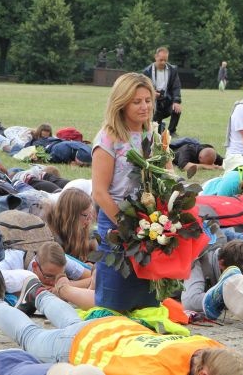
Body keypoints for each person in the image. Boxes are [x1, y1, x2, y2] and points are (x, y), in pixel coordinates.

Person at [0, 275, 243, 375]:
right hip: (79, 348)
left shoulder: (207, 347)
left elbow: (236, 364)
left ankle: (39, 293)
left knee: (70, 319)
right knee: (29, 335)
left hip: (112, 327)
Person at [91, 72, 160, 311]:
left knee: (147, 304)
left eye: (148, 100)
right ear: (121, 103)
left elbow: (167, 178)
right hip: (116, 225)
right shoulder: (108, 138)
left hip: (150, 226)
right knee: (114, 302)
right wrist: (127, 227)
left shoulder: (153, 135)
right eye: (137, 101)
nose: (144, 107)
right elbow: (99, 192)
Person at [45, 188, 95, 262]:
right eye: (85, 215)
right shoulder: (53, 239)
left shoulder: (80, 229)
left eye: (91, 213)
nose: (90, 218)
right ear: (70, 216)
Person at [142, 47, 182, 136]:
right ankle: (160, 126)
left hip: (167, 101)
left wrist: (176, 101)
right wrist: (152, 93)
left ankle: (171, 131)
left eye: (165, 60)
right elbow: (143, 88)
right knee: (156, 132)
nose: (163, 62)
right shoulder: (146, 71)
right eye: (161, 60)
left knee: (176, 109)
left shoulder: (173, 70)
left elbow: (176, 86)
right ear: (155, 57)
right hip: (154, 103)